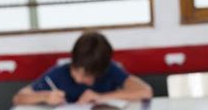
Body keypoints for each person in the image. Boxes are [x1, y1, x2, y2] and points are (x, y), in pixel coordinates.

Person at [12, 31, 152, 106]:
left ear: (100, 72)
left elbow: (145, 91)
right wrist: (45, 96)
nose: (79, 78)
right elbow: (19, 98)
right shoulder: (59, 73)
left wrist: (101, 97)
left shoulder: (110, 70)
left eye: (87, 76)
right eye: (77, 71)